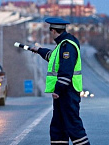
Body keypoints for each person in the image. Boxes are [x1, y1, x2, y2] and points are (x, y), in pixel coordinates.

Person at [30, 17, 90, 145]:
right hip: (64, 93)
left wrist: (58, 90)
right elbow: (52, 57)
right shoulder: (62, 45)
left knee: (73, 126)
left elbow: (66, 70)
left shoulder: (67, 45)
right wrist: (39, 50)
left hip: (67, 92)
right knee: (58, 127)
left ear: (52, 31)